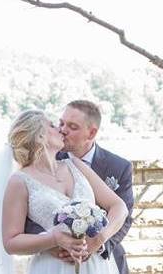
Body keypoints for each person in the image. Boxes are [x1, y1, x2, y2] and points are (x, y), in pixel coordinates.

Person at [0, 109, 128, 274]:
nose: (60, 129)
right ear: (40, 136)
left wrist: (98, 238)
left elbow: (119, 206)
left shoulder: (76, 165)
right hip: (53, 266)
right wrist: (53, 238)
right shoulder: (19, 181)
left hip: (96, 266)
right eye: (52, 126)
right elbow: (11, 242)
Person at [27, 100, 134, 274]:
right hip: (54, 260)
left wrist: (95, 245)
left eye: (72, 126)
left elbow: (125, 217)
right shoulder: (44, 163)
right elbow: (31, 214)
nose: (63, 129)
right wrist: (54, 244)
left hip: (104, 260)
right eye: (61, 123)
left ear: (91, 133)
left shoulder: (119, 167)